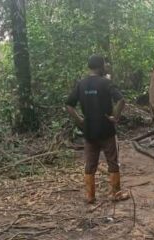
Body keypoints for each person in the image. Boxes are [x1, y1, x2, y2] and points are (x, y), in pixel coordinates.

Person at [66, 54, 129, 204]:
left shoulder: (81, 84)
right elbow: (121, 99)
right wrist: (115, 116)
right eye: (105, 64)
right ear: (101, 66)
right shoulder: (106, 83)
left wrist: (80, 120)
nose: (106, 66)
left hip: (89, 131)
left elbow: (69, 104)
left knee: (90, 163)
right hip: (106, 129)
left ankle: (90, 196)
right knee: (112, 161)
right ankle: (116, 193)